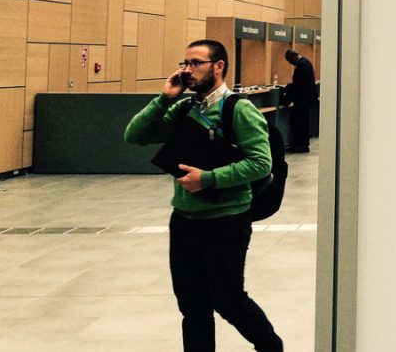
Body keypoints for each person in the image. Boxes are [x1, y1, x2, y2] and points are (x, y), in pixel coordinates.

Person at [124, 39, 284, 352]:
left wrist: (208, 179)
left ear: (218, 66)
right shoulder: (184, 109)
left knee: (229, 300)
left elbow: (260, 164)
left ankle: (271, 347)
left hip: (226, 221)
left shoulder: (239, 110)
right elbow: (135, 135)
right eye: (185, 63)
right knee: (192, 307)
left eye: (195, 63)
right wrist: (164, 98)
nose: (187, 70)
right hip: (184, 220)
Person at [283, 49, 316, 154]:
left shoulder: (302, 65)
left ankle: (301, 145)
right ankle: (300, 145)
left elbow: (300, 83)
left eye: (290, 61)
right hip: (305, 99)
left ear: (294, 57)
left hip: (302, 100)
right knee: (302, 122)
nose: (290, 63)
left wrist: (289, 87)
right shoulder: (306, 62)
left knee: (300, 123)